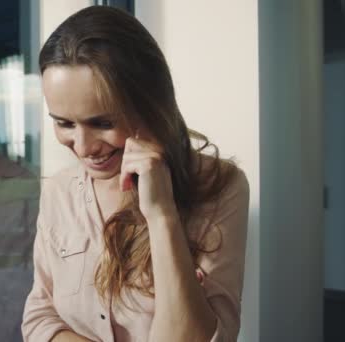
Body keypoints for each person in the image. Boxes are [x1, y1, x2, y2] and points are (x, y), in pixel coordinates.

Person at [21, 5, 250, 342]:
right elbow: (39, 318)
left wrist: (162, 216)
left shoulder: (220, 186)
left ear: (151, 103)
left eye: (103, 123)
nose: (83, 148)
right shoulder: (59, 191)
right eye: (64, 123)